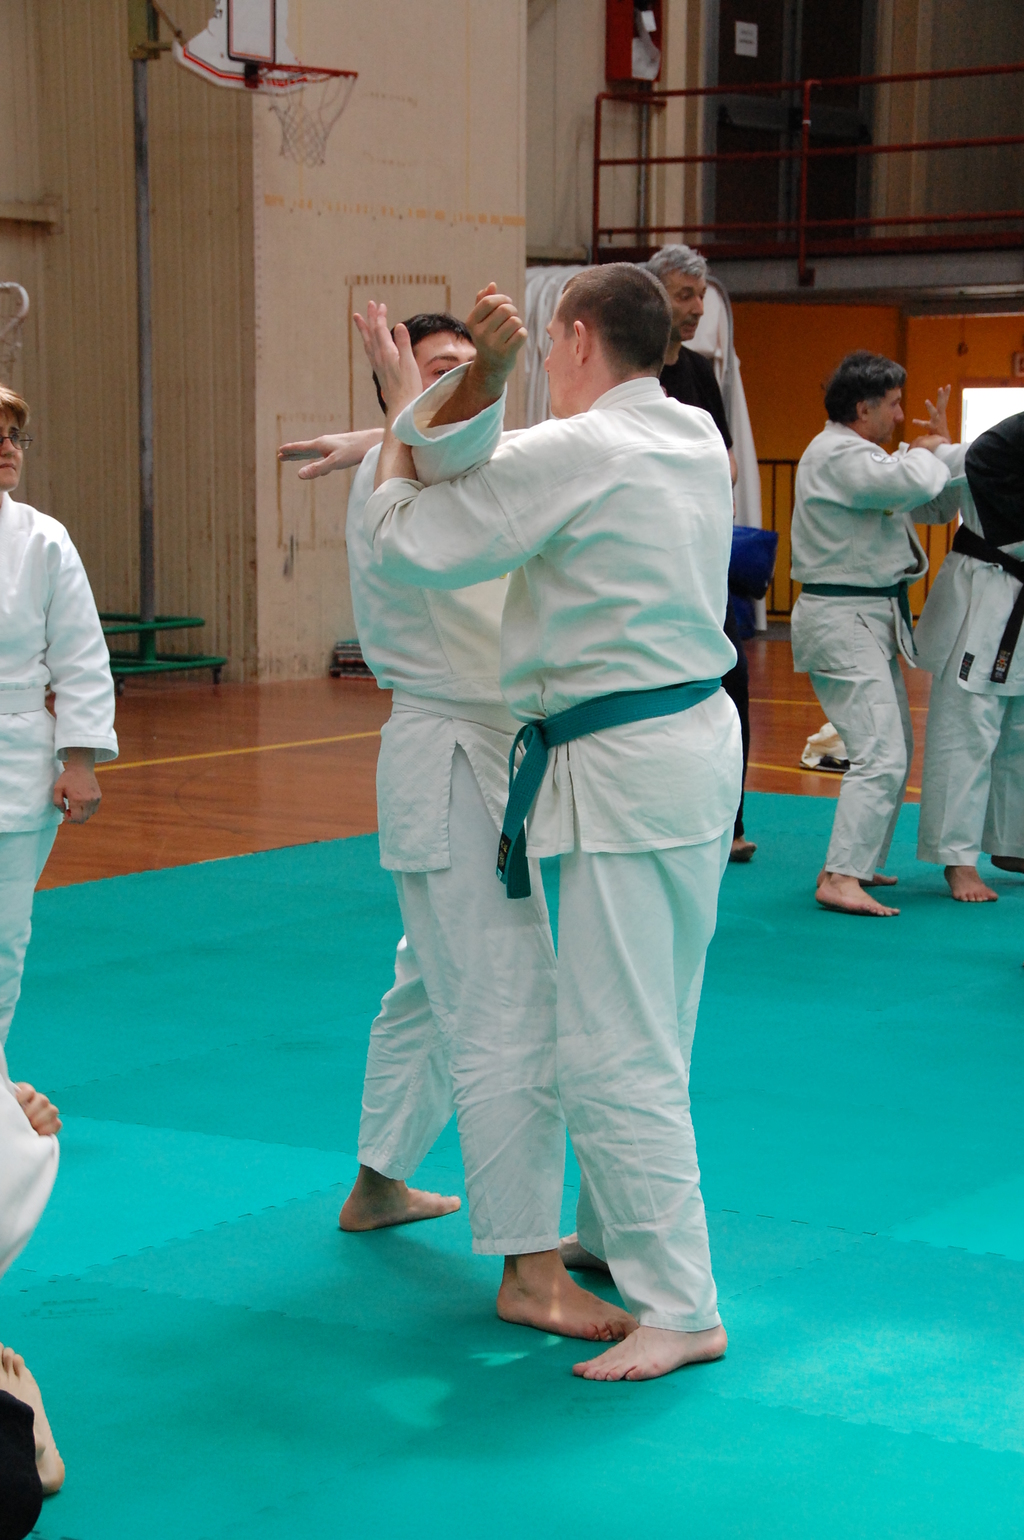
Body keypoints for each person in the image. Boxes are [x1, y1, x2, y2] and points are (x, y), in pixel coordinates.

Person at [359, 262, 742, 1382]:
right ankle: (616, 1234)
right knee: (655, 1017)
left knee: (611, 1044)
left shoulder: (584, 448)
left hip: (629, 768)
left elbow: (416, 536)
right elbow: (515, 465)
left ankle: (682, 1304)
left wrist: (403, 428)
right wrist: (399, 427)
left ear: (572, 338)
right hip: (690, 750)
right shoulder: (687, 433)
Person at [280, 300, 636, 1344]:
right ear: (401, 386)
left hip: (472, 757)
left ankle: (378, 1182)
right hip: (448, 760)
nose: (460, 382)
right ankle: (528, 1266)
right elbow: (452, 454)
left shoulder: (437, 466)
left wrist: (390, 424)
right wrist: (395, 425)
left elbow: (482, 449)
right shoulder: (411, 480)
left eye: (473, 369)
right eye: (435, 369)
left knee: (429, 987)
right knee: (507, 1007)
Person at [789, 353, 960, 916]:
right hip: (841, 619)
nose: (901, 415)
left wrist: (941, 450)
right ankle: (840, 876)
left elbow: (930, 506)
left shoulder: (865, 460)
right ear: (863, 409)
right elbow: (909, 479)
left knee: (893, 749)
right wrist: (926, 452)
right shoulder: (836, 454)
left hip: (866, 617)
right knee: (879, 751)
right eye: (893, 404)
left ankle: (854, 864)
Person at [646, 244, 755, 862]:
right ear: (651, 296)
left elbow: (728, 465)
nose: (695, 308)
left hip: (700, 560)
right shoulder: (628, 369)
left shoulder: (699, 371)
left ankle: (730, 821)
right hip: (646, 559)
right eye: (683, 295)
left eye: (700, 296)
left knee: (731, 676)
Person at [915, 409, 1024, 899]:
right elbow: (939, 476)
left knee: (1020, 730)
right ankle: (957, 859)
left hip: (1016, 603)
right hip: (985, 596)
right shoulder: (991, 452)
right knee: (966, 728)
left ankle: (1012, 842)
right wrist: (933, 448)